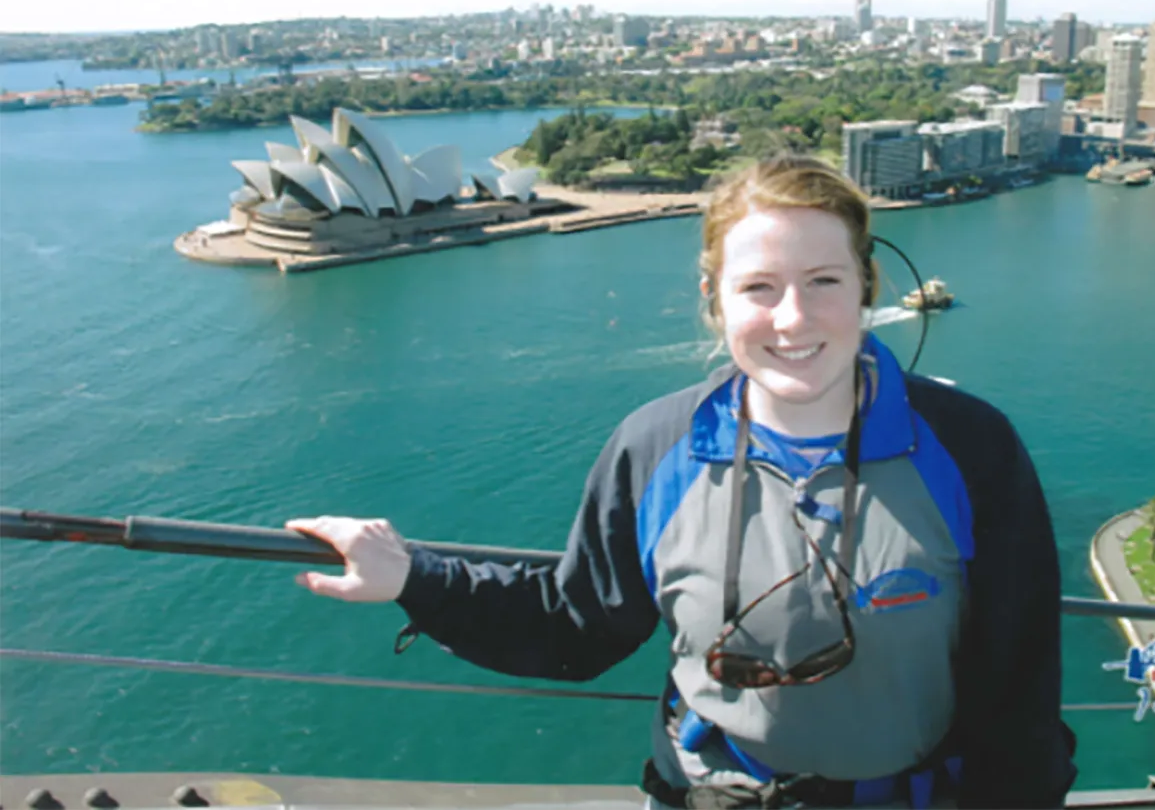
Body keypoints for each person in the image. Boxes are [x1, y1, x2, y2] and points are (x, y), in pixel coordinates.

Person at [288, 158, 1077, 809]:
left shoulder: (971, 447)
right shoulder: (655, 446)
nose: (794, 318)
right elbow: (574, 624)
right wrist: (413, 579)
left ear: (866, 285)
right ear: (715, 301)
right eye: (759, 286)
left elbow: (1021, 686)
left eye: (825, 281)